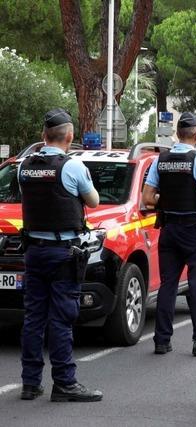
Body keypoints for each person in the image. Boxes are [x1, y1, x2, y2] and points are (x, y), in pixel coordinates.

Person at [19, 108, 102, 402]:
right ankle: (64, 382)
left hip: (33, 252)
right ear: (69, 136)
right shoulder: (72, 167)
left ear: (43, 135)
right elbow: (93, 202)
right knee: (62, 318)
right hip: (63, 253)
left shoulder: (24, 166)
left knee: (34, 317)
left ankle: (30, 383)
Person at [142, 112, 196, 357]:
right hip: (194, 230)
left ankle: (162, 340)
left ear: (177, 134)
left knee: (168, 285)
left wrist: (168, 199)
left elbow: (147, 198)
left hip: (169, 230)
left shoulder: (160, 161)